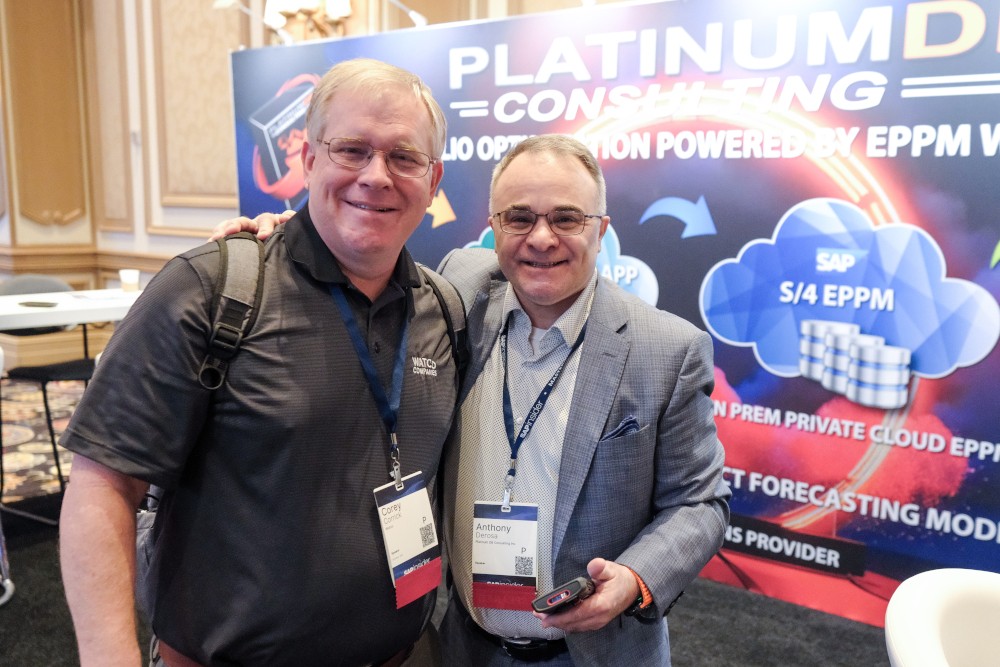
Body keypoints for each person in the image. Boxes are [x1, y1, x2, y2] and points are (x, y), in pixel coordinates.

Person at [220, 133, 730, 666]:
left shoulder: (666, 350)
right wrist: (285, 246)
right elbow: (358, 267)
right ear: (493, 227)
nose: (541, 238)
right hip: (466, 645)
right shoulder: (459, 290)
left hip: (596, 653)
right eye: (519, 218)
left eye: (566, 218)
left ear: (600, 230)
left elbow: (699, 502)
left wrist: (634, 579)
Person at [58, 58, 459, 667]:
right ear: (309, 160)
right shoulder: (208, 290)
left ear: (433, 181)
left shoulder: (445, 310)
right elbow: (103, 485)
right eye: (351, 150)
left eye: (404, 157)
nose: (377, 176)